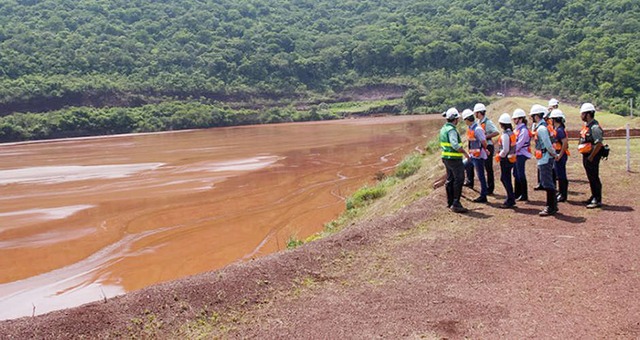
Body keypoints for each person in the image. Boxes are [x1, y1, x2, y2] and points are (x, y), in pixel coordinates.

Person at [439, 107, 470, 213]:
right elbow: (455, 145)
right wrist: (465, 153)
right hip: (454, 158)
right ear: (455, 119)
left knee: (450, 179)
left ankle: (450, 202)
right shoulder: (451, 130)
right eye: (457, 119)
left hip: (446, 158)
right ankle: (456, 203)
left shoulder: (444, 128)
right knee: (459, 179)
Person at [530, 105, 559, 216]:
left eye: (533, 116)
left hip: (545, 158)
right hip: (545, 157)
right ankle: (553, 205)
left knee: (547, 183)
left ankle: (550, 206)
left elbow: (547, 144)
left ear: (537, 116)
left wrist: (554, 154)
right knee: (548, 182)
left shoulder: (541, 129)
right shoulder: (542, 127)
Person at [465, 103, 499, 195]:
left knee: (488, 168)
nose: (475, 114)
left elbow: (496, 132)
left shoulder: (487, 122)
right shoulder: (479, 122)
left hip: (487, 146)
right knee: (477, 166)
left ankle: (490, 188)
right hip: (480, 147)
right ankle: (472, 182)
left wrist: (484, 137)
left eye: (476, 113)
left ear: (479, 113)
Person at [578, 103, 605, 208]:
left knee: (594, 177)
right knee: (591, 177)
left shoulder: (594, 127)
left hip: (592, 156)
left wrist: (592, 156)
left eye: (582, 114)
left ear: (587, 114)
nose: (581, 116)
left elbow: (599, 144)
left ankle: (597, 199)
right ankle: (593, 196)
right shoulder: (588, 126)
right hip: (587, 155)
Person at [462, 109, 488, 203]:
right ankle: (467, 183)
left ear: (467, 119)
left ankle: (483, 195)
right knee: (463, 166)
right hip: (472, 155)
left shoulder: (477, 129)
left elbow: (484, 142)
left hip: (478, 156)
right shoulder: (471, 128)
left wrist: (485, 150)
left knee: (481, 176)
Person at [496, 113, 517, 208]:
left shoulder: (505, 135)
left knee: (505, 178)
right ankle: (510, 197)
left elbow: (505, 149)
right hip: (511, 158)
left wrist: (499, 156)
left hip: (505, 159)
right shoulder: (512, 133)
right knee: (506, 178)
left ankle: (510, 199)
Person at [550, 109, 570, 202]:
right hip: (557, 154)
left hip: (560, 155)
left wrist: (560, 155)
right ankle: (561, 192)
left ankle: (563, 194)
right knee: (558, 173)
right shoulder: (557, 129)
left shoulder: (560, 130)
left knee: (561, 174)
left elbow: (565, 143)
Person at [511, 108, 531, 201]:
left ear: (520, 119)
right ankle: (517, 193)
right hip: (516, 154)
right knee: (516, 173)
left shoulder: (524, 130)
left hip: (521, 154)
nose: (514, 121)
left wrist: (511, 151)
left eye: (515, 119)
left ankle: (524, 194)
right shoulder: (518, 129)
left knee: (520, 173)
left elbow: (519, 144)